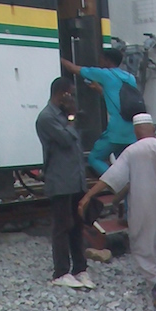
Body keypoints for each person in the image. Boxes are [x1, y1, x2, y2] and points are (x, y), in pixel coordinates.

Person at [78, 114, 156, 309]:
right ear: (152, 129)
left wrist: (87, 196)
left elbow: (110, 178)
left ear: (136, 131)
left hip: (142, 207)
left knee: (142, 247)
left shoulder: (132, 152)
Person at [35, 77, 93, 290]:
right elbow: (67, 140)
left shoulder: (63, 116)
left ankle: (80, 268)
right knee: (62, 226)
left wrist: (73, 116)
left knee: (77, 224)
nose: (73, 99)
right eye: (71, 94)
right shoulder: (47, 118)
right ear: (62, 94)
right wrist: (70, 116)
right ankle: (60, 271)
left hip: (75, 180)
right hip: (60, 180)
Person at [60, 49, 138, 176]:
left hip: (116, 130)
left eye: (101, 58)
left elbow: (73, 68)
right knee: (124, 163)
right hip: (131, 130)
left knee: (95, 158)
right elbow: (121, 98)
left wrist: (60, 58)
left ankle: (118, 182)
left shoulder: (105, 74)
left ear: (107, 60)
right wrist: (100, 89)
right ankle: (128, 190)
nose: (99, 61)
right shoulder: (130, 78)